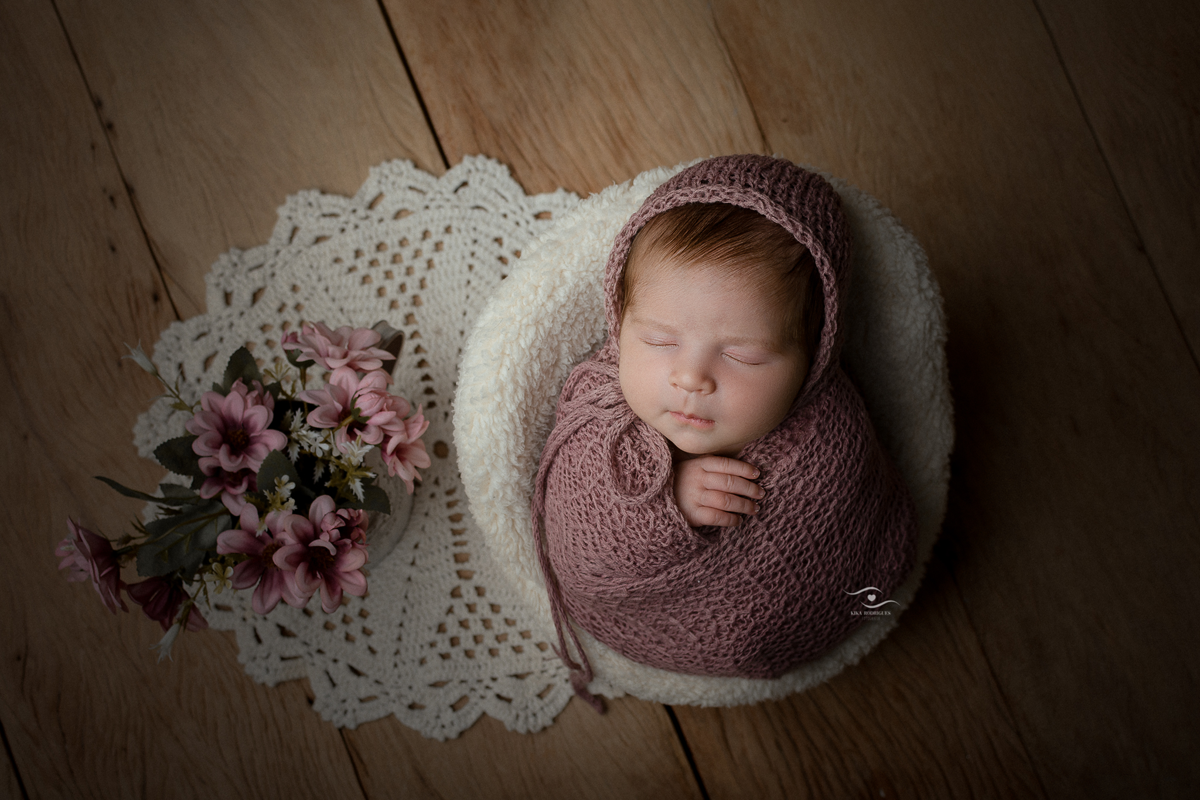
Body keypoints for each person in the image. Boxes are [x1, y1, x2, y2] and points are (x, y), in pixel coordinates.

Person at [532, 155, 917, 712]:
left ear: (813, 356)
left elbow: (857, 538)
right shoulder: (600, 401)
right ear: (621, 322)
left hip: (776, 625)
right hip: (636, 614)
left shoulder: (829, 441)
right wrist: (668, 502)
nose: (690, 377)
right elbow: (578, 543)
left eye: (742, 355)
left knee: (869, 597)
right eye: (660, 341)